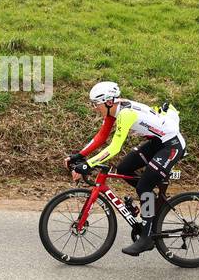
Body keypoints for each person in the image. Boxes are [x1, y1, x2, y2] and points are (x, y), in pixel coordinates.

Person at [65, 81, 185, 257]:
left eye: (95, 104)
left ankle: (146, 237)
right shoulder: (114, 110)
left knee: (144, 188)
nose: (93, 108)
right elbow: (101, 136)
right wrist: (79, 155)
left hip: (171, 145)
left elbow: (114, 148)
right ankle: (150, 201)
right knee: (124, 168)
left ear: (108, 102)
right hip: (158, 142)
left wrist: (87, 164)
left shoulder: (125, 114)